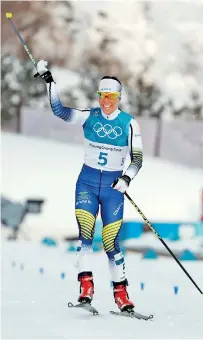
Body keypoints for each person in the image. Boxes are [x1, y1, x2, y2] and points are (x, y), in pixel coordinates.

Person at [36, 60, 144, 312]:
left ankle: (121, 294)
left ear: (118, 97)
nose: (105, 101)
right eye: (102, 96)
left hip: (112, 189)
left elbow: (137, 158)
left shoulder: (129, 123)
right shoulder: (89, 117)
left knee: (110, 242)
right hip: (86, 183)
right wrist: (50, 82)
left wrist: (126, 178)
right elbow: (60, 111)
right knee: (85, 235)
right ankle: (86, 288)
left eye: (110, 96)